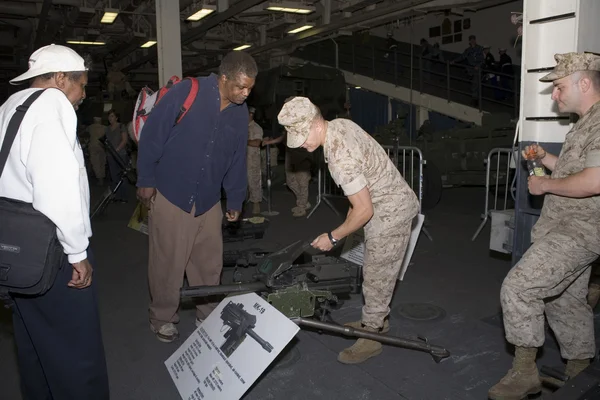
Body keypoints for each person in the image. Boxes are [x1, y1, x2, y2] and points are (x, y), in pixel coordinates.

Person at [488, 52, 600, 400]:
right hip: (565, 226)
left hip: (579, 231)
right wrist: (543, 160)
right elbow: (575, 172)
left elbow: (595, 181)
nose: (555, 96)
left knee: (519, 288)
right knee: (564, 300)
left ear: (584, 83)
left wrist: (546, 185)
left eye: (559, 87)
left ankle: (524, 372)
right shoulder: (584, 123)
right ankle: (580, 370)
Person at [0, 44, 109, 399]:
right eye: (81, 85)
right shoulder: (52, 104)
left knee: (33, 342)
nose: (82, 94)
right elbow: (56, 185)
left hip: (14, 247)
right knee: (76, 349)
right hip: (49, 248)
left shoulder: (10, 105)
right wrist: (77, 253)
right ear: (61, 78)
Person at [277, 96, 419, 364]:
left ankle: (373, 336)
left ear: (315, 123)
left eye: (301, 136)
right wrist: (342, 228)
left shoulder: (339, 156)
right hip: (383, 203)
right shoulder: (339, 125)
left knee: (377, 273)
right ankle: (375, 320)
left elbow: (364, 210)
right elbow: (358, 204)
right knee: (374, 267)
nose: (302, 146)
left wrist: (333, 237)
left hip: (390, 211)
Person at [136, 51, 258, 343]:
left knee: (208, 264)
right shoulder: (187, 92)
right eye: (240, 86)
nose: (245, 93)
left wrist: (236, 200)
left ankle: (208, 313)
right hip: (172, 194)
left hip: (208, 200)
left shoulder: (240, 113)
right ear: (223, 77)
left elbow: (237, 158)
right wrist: (146, 180)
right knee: (168, 262)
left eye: (250, 88)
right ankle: (162, 317)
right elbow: (153, 135)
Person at [105, 109, 130, 202]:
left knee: (122, 176)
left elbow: (124, 140)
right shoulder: (107, 129)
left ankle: (124, 197)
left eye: (112, 116)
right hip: (110, 155)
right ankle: (117, 195)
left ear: (116, 117)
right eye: (109, 116)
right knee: (114, 176)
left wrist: (116, 150)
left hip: (120, 155)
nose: (110, 118)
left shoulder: (121, 126)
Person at [247, 106, 263, 214]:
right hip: (241, 160)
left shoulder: (256, 128)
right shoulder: (241, 126)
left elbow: (257, 143)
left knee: (254, 182)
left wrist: (244, 141)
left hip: (253, 160)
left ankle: (256, 205)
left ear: (251, 115)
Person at [87, 116, 107, 186]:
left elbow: (84, 132)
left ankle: (100, 179)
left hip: (93, 147)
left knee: (96, 163)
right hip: (102, 147)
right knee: (102, 162)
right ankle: (102, 177)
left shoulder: (90, 127)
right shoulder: (105, 128)